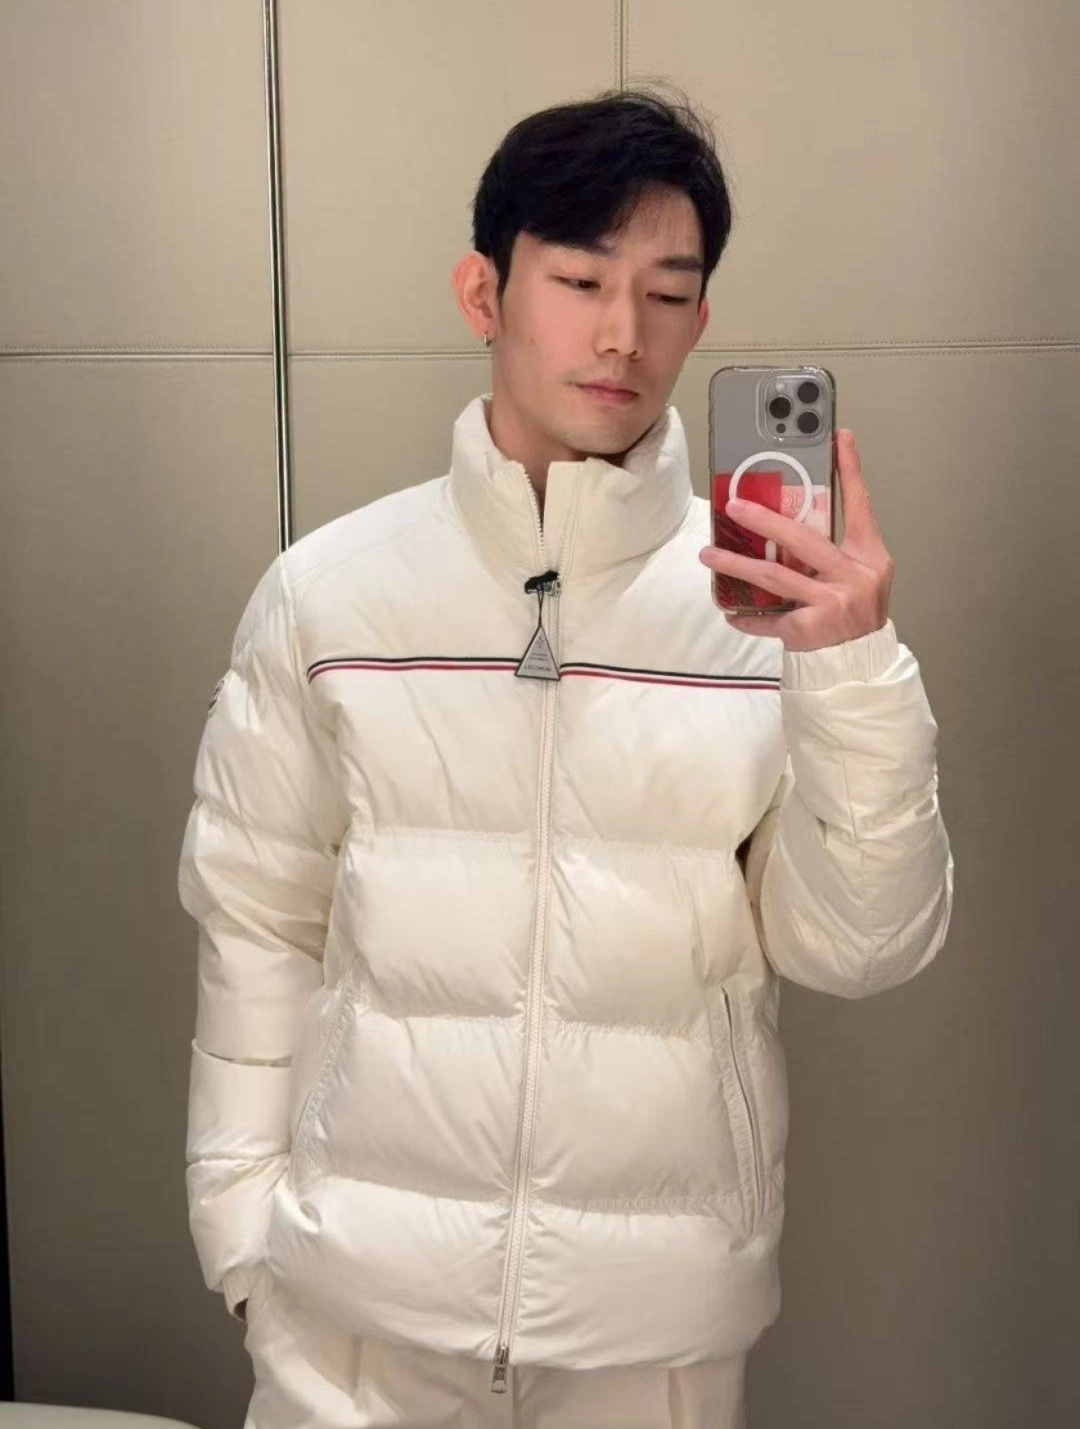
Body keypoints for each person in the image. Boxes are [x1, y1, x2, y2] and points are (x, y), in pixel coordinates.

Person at [178, 86, 954, 1429]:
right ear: (485, 292)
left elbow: (862, 945)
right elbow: (258, 924)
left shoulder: (776, 616)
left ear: (701, 320)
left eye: (668, 292)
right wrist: (246, 1245)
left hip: (648, 1349)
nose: (622, 334)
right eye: (582, 280)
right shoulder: (329, 598)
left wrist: (853, 668)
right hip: (352, 1334)